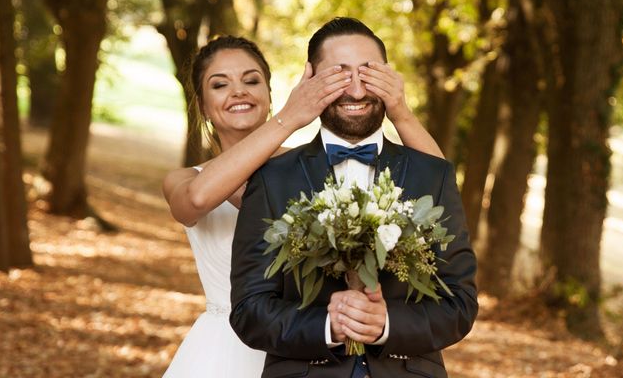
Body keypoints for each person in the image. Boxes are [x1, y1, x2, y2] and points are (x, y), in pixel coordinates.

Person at [162, 34, 445, 377]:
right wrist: (289, 117)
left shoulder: (310, 168)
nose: (239, 91)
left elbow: (438, 188)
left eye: (251, 81)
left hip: (309, 348)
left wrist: (400, 111)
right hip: (223, 350)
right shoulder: (184, 180)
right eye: (220, 85)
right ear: (203, 105)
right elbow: (196, 200)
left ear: (269, 95)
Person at [230, 18, 478, 378]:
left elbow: (461, 303)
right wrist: (328, 324)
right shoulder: (271, 178)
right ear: (311, 79)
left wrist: (387, 324)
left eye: (369, 73)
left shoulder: (433, 175)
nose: (357, 91)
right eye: (340, 75)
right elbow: (249, 309)